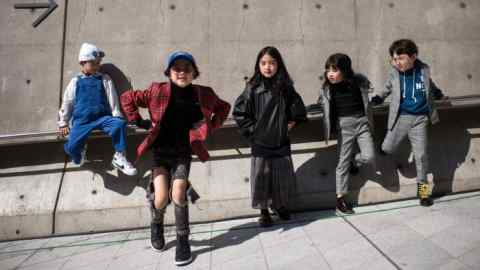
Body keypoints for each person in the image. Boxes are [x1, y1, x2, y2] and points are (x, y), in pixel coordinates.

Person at [120, 51, 230, 266]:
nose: (182, 72)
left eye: (187, 69)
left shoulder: (203, 94)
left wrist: (209, 126)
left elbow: (224, 108)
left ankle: (182, 241)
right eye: (176, 68)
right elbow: (127, 98)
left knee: (179, 193)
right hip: (160, 153)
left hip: (182, 153)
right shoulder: (157, 90)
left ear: (194, 73)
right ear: (169, 72)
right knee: (161, 198)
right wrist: (138, 121)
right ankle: (156, 224)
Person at [233, 46, 307, 227]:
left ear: (278, 64)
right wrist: (253, 132)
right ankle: (264, 211)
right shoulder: (252, 88)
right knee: (261, 178)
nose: (268, 67)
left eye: (272, 63)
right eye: (264, 63)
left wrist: (289, 124)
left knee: (282, 176)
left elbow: (298, 109)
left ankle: (280, 206)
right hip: (260, 142)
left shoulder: (286, 88)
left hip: (281, 141)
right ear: (258, 65)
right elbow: (240, 113)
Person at [371, 39, 446, 206]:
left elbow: (430, 85)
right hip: (401, 118)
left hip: (420, 119)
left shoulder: (423, 71)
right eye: (394, 59)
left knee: (421, 156)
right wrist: (378, 98)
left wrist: (439, 94)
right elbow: (387, 88)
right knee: (387, 148)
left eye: (401, 58)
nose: (397, 63)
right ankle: (385, 140)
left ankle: (423, 194)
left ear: (413, 57)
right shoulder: (395, 74)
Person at [58, 43, 137, 176]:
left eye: (98, 63)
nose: (98, 66)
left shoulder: (104, 79)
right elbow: (67, 102)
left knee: (119, 124)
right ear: (82, 62)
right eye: (94, 63)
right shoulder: (75, 82)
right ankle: (79, 153)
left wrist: (116, 114)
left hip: (102, 118)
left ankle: (119, 156)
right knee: (72, 147)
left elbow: (113, 98)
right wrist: (63, 122)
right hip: (82, 121)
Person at [319, 53, 375, 214]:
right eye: (328, 70)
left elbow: (371, 95)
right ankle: (340, 200)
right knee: (342, 164)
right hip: (344, 126)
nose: (330, 73)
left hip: (363, 123)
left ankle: (424, 193)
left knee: (369, 156)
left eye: (334, 70)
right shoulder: (328, 89)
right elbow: (324, 104)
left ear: (344, 70)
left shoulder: (358, 83)